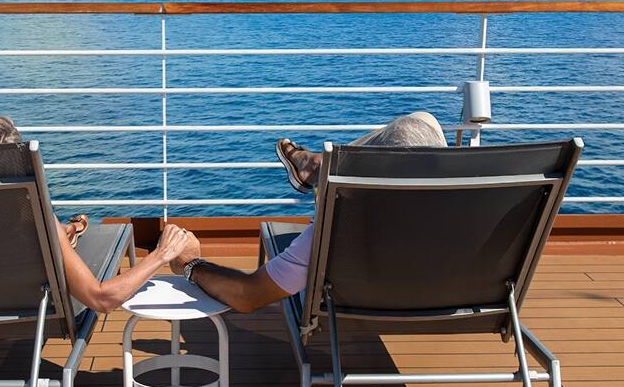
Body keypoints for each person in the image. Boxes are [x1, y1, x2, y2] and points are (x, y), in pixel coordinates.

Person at [177, 111, 448, 315]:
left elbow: (248, 295)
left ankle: (321, 169)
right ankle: (319, 168)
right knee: (423, 119)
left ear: (375, 173)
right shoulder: (475, 218)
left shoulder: (341, 225)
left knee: (413, 121)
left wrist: (191, 265)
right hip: (444, 302)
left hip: (364, 300)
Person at [0, 115, 201, 314]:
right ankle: (73, 232)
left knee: (62, 236)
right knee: (154, 240)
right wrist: (160, 254)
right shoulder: (30, 217)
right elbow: (101, 299)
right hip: (24, 313)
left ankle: (72, 231)